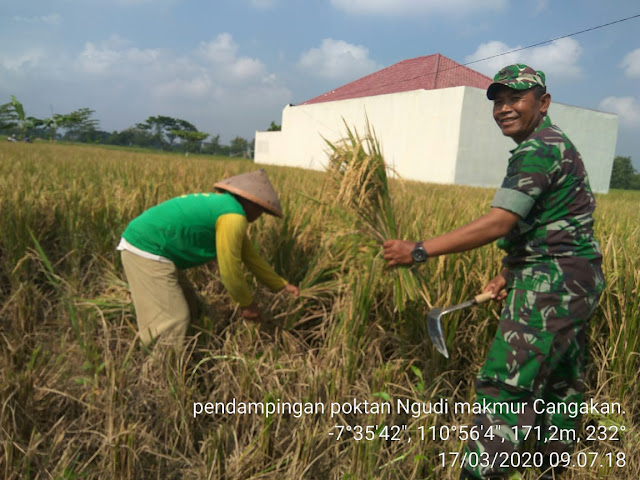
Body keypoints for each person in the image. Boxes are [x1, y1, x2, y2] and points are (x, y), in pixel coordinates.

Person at [383, 65, 604, 479]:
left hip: (551, 283)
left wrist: (418, 249)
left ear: (543, 102)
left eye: (515, 99)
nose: (504, 108)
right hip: (573, 280)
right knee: (560, 385)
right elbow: (547, 222)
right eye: (498, 101)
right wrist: (508, 271)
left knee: (504, 389)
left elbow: (499, 222)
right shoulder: (553, 143)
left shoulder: (538, 148)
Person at [118, 169, 299, 348]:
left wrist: (281, 285)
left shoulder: (225, 207)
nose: (259, 216)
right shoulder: (233, 216)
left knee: (192, 308)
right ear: (250, 203)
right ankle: (158, 373)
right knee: (173, 320)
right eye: (260, 210)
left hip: (158, 250)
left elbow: (250, 257)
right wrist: (246, 304)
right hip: (146, 250)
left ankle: (185, 359)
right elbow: (230, 268)